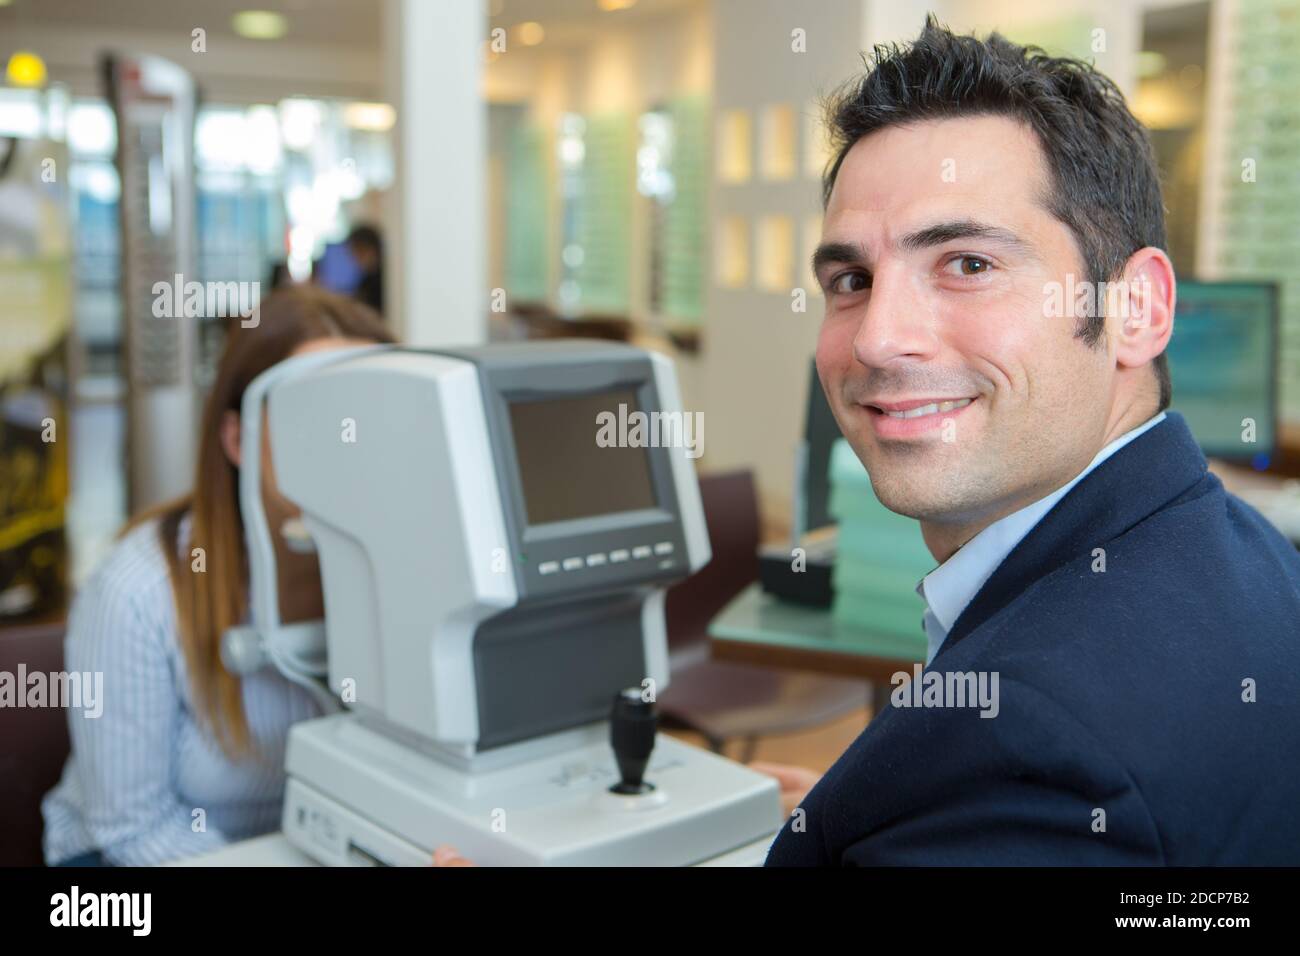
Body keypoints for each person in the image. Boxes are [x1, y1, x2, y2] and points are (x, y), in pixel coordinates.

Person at [760, 16, 1300, 865]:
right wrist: (860, 820)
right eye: (852, 280)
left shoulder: (1029, 750)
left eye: (968, 263)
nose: (875, 338)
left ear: (1137, 309)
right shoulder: (1249, 557)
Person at [42, 287, 395, 866]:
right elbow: (132, 832)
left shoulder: (407, 572)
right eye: (318, 416)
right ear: (237, 438)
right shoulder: (136, 593)